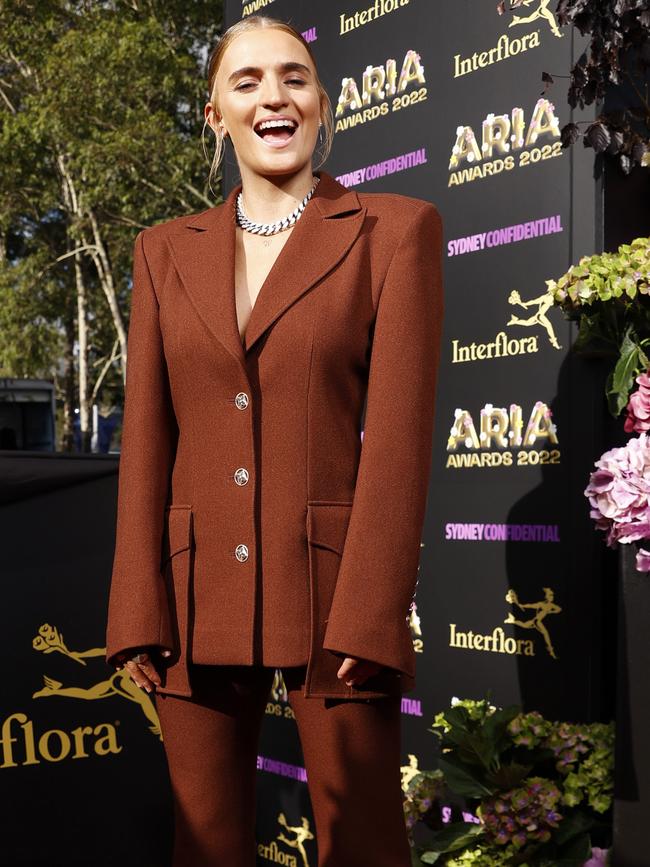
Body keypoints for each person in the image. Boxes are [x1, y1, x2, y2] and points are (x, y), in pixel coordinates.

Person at [105, 13, 444, 867]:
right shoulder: (160, 252)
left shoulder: (395, 231)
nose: (273, 97)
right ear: (215, 114)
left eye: (293, 77)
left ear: (322, 105)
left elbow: (399, 444)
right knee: (206, 844)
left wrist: (372, 612)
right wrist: (136, 607)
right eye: (246, 81)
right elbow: (145, 438)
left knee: (365, 845)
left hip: (338, 595)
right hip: (192, 592)